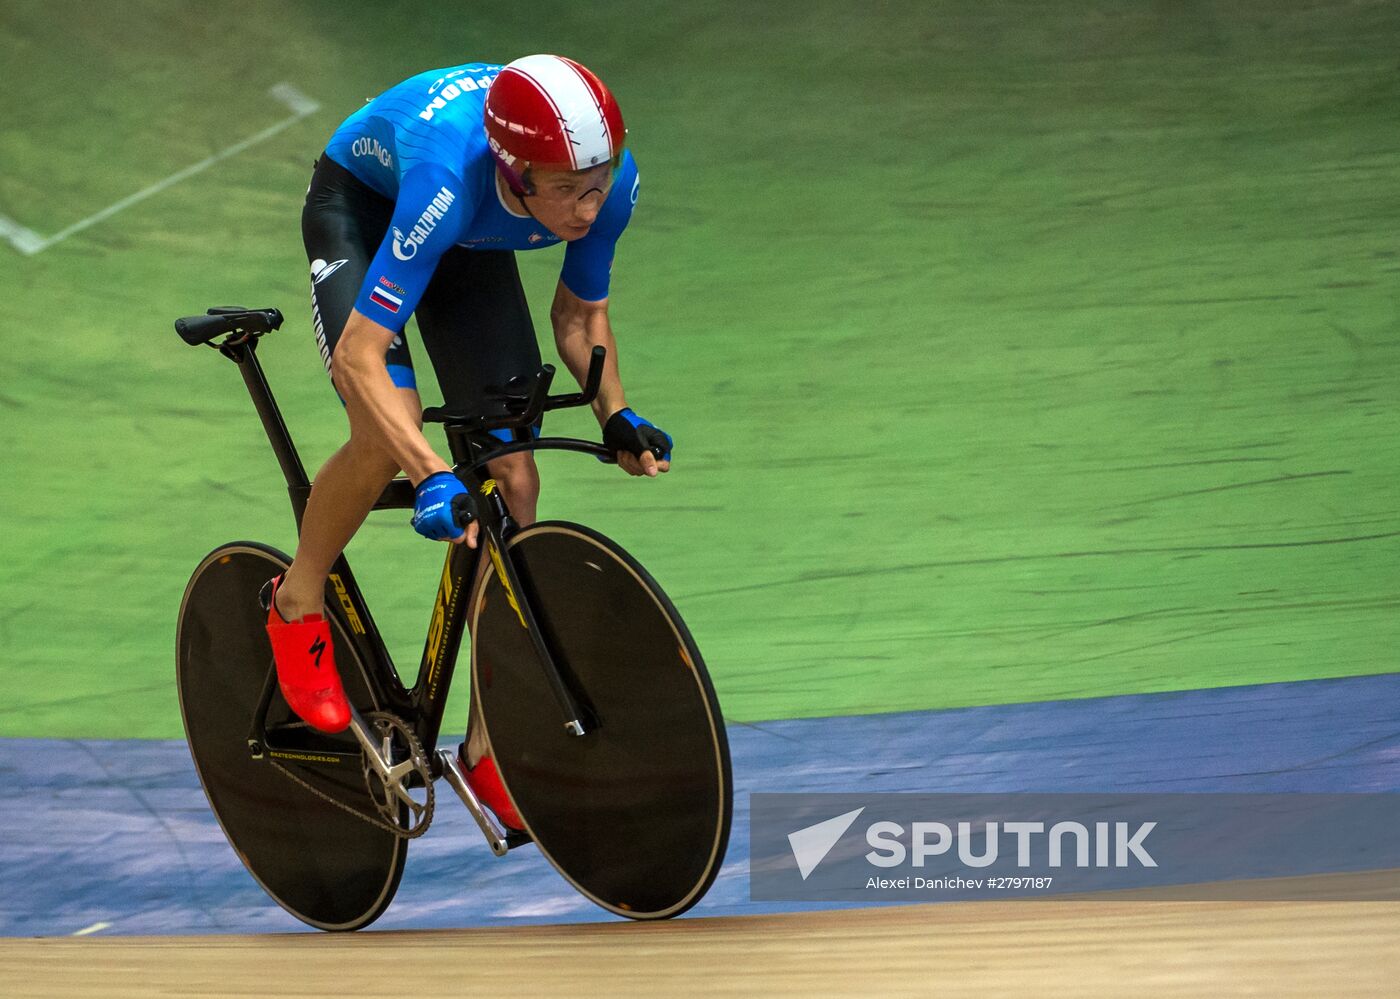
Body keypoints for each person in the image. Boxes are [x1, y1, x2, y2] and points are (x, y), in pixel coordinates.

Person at [260, 55, 673, 830]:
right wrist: (429, 472)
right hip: (372, 207)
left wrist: (614, 413)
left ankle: (486, 750)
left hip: (464, 238)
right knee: (386, 432)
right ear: (516, 173)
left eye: (598, 183)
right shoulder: (450, 178)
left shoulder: (599, 185)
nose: (588, 208)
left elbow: (581, 317)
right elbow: (358, 353)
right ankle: (296, 600)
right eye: (567, 191)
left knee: (514, 478)